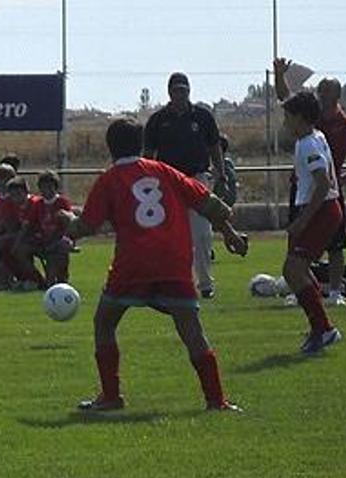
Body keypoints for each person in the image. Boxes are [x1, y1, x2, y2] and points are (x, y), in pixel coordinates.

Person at [62, 118, 248, 412]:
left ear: (110, 148)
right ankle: (217, 400)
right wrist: (230, 233)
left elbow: (87, 226)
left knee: (104, 323)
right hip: (173, 262)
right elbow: (209, 203)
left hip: (133, 264)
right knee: (192, 332)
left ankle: (111, 396)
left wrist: (67, 224)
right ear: (141, 146)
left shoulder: (109, 179)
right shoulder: (165, 172)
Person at [274, 58, 346, 306]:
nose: (321, 94)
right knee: (295, 258)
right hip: (312, 194)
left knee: (325, 250)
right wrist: (280, 76)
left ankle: (331, 297)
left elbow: (324, 182)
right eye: (319, 90)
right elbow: (287, 100)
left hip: (323, 198)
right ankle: (309, 301)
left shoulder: (313, 137)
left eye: (326, 90)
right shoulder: (314, 128)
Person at [144, 72, 225, 299]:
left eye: (184, 90)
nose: (181, 94)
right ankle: (174, 282)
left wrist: (220, 173)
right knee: (169, 234)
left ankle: (205, 284)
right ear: (169, 92)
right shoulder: (158, 120)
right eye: (177, 90)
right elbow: (148, 155)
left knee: (201, 234)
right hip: (167, 183)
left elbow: (214, 146)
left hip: (196, 178)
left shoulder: (202, 116)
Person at [280, 92, 344, 354]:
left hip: (321, 210)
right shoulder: (314, 137)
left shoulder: (308, 143)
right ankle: (320, 326)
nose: (285, 122)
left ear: (300, 118)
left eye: (287, 117)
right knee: (295, 270)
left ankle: (325, 328)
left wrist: (303, 221)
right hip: (321, 208)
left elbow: (323, 183)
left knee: (294, 269)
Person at [14, 170, 74, 285]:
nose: (46, 189)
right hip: (43, 241)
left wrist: (60, 239)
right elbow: (29, 224)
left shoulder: (61, 202)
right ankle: (38, 279)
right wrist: (19, 241)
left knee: (60, 249)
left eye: (50, 186)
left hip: (58, 240)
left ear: (55, 187)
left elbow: (67, 224)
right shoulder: (38, 204)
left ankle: (61, 278)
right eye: (43, 186)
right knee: (20, 251)